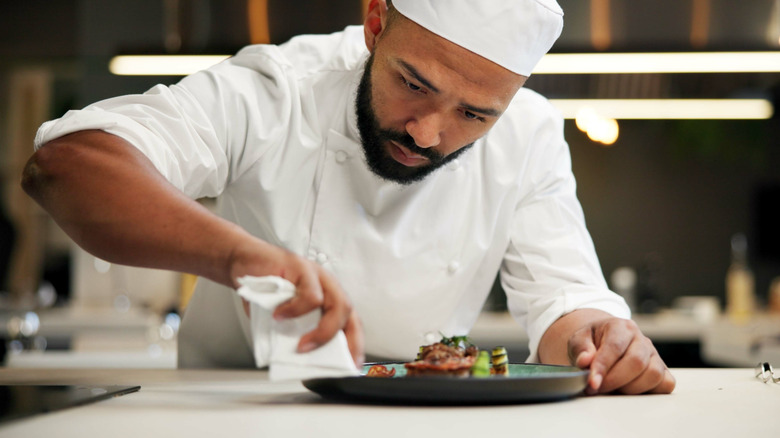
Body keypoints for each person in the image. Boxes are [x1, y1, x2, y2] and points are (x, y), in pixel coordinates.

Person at [22, 0, 675, 394]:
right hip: (230, 413)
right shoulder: (279, 91)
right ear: (374, 22)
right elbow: (66, 165)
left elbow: (566, 306)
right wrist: (244, 258)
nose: (428, 132)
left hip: (429, 420)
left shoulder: (529, 133)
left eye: (474, 115)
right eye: (414, 83)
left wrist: (602, 343)